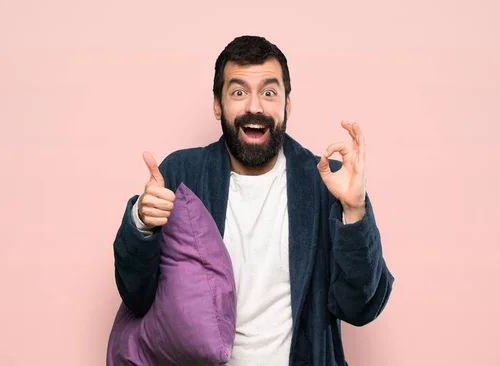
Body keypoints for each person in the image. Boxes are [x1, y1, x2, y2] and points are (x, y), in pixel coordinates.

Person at [112, 35, 394, 366]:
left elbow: (360, 307)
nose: (255, 106)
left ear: (287, 104)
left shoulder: (326, 182)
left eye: (269, 92)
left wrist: (355, 211)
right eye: (239, 92)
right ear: (218, 104)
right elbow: (136, 295)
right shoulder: (181, 175)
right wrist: (141, 224)